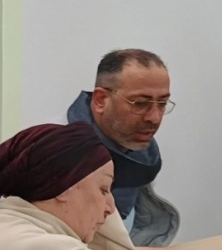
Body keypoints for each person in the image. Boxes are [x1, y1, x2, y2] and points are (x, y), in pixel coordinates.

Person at [66, 49, 179, 246]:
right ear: (101, 100)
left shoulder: (138, 149)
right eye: (140, 103)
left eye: (162, 103)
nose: (154, 117)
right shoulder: (53, 154)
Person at [0, 122, 134, 250]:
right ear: (62, 187)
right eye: (103, 189)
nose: (111, 209)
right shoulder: (52, 245)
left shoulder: (11, 227)